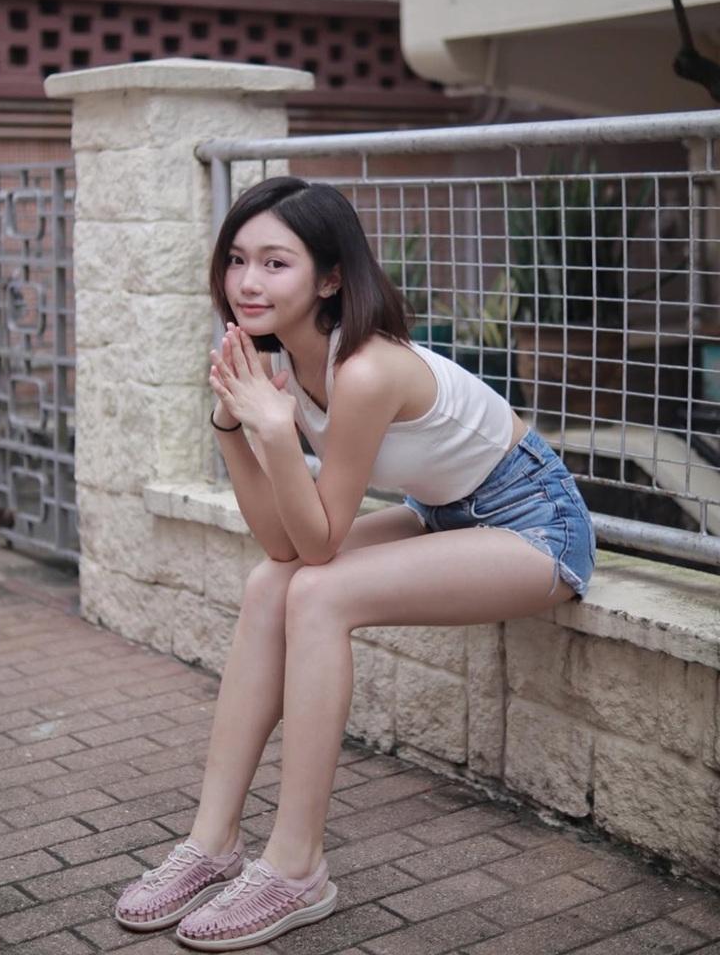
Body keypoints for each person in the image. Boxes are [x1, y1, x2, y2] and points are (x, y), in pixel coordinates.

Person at [114, 176, 595, 951]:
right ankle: (212, 842)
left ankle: (297, 866)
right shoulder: (281, 362)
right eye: (237, 259)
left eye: (275, 263)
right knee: (269, 585)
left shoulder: (365, 369)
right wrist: (234, 426)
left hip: (536, 523)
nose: (246, 281)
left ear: (330, 279)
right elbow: (283, 547)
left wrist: (277, 433)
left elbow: (320, 546)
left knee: (319, 594)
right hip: (444, 514)